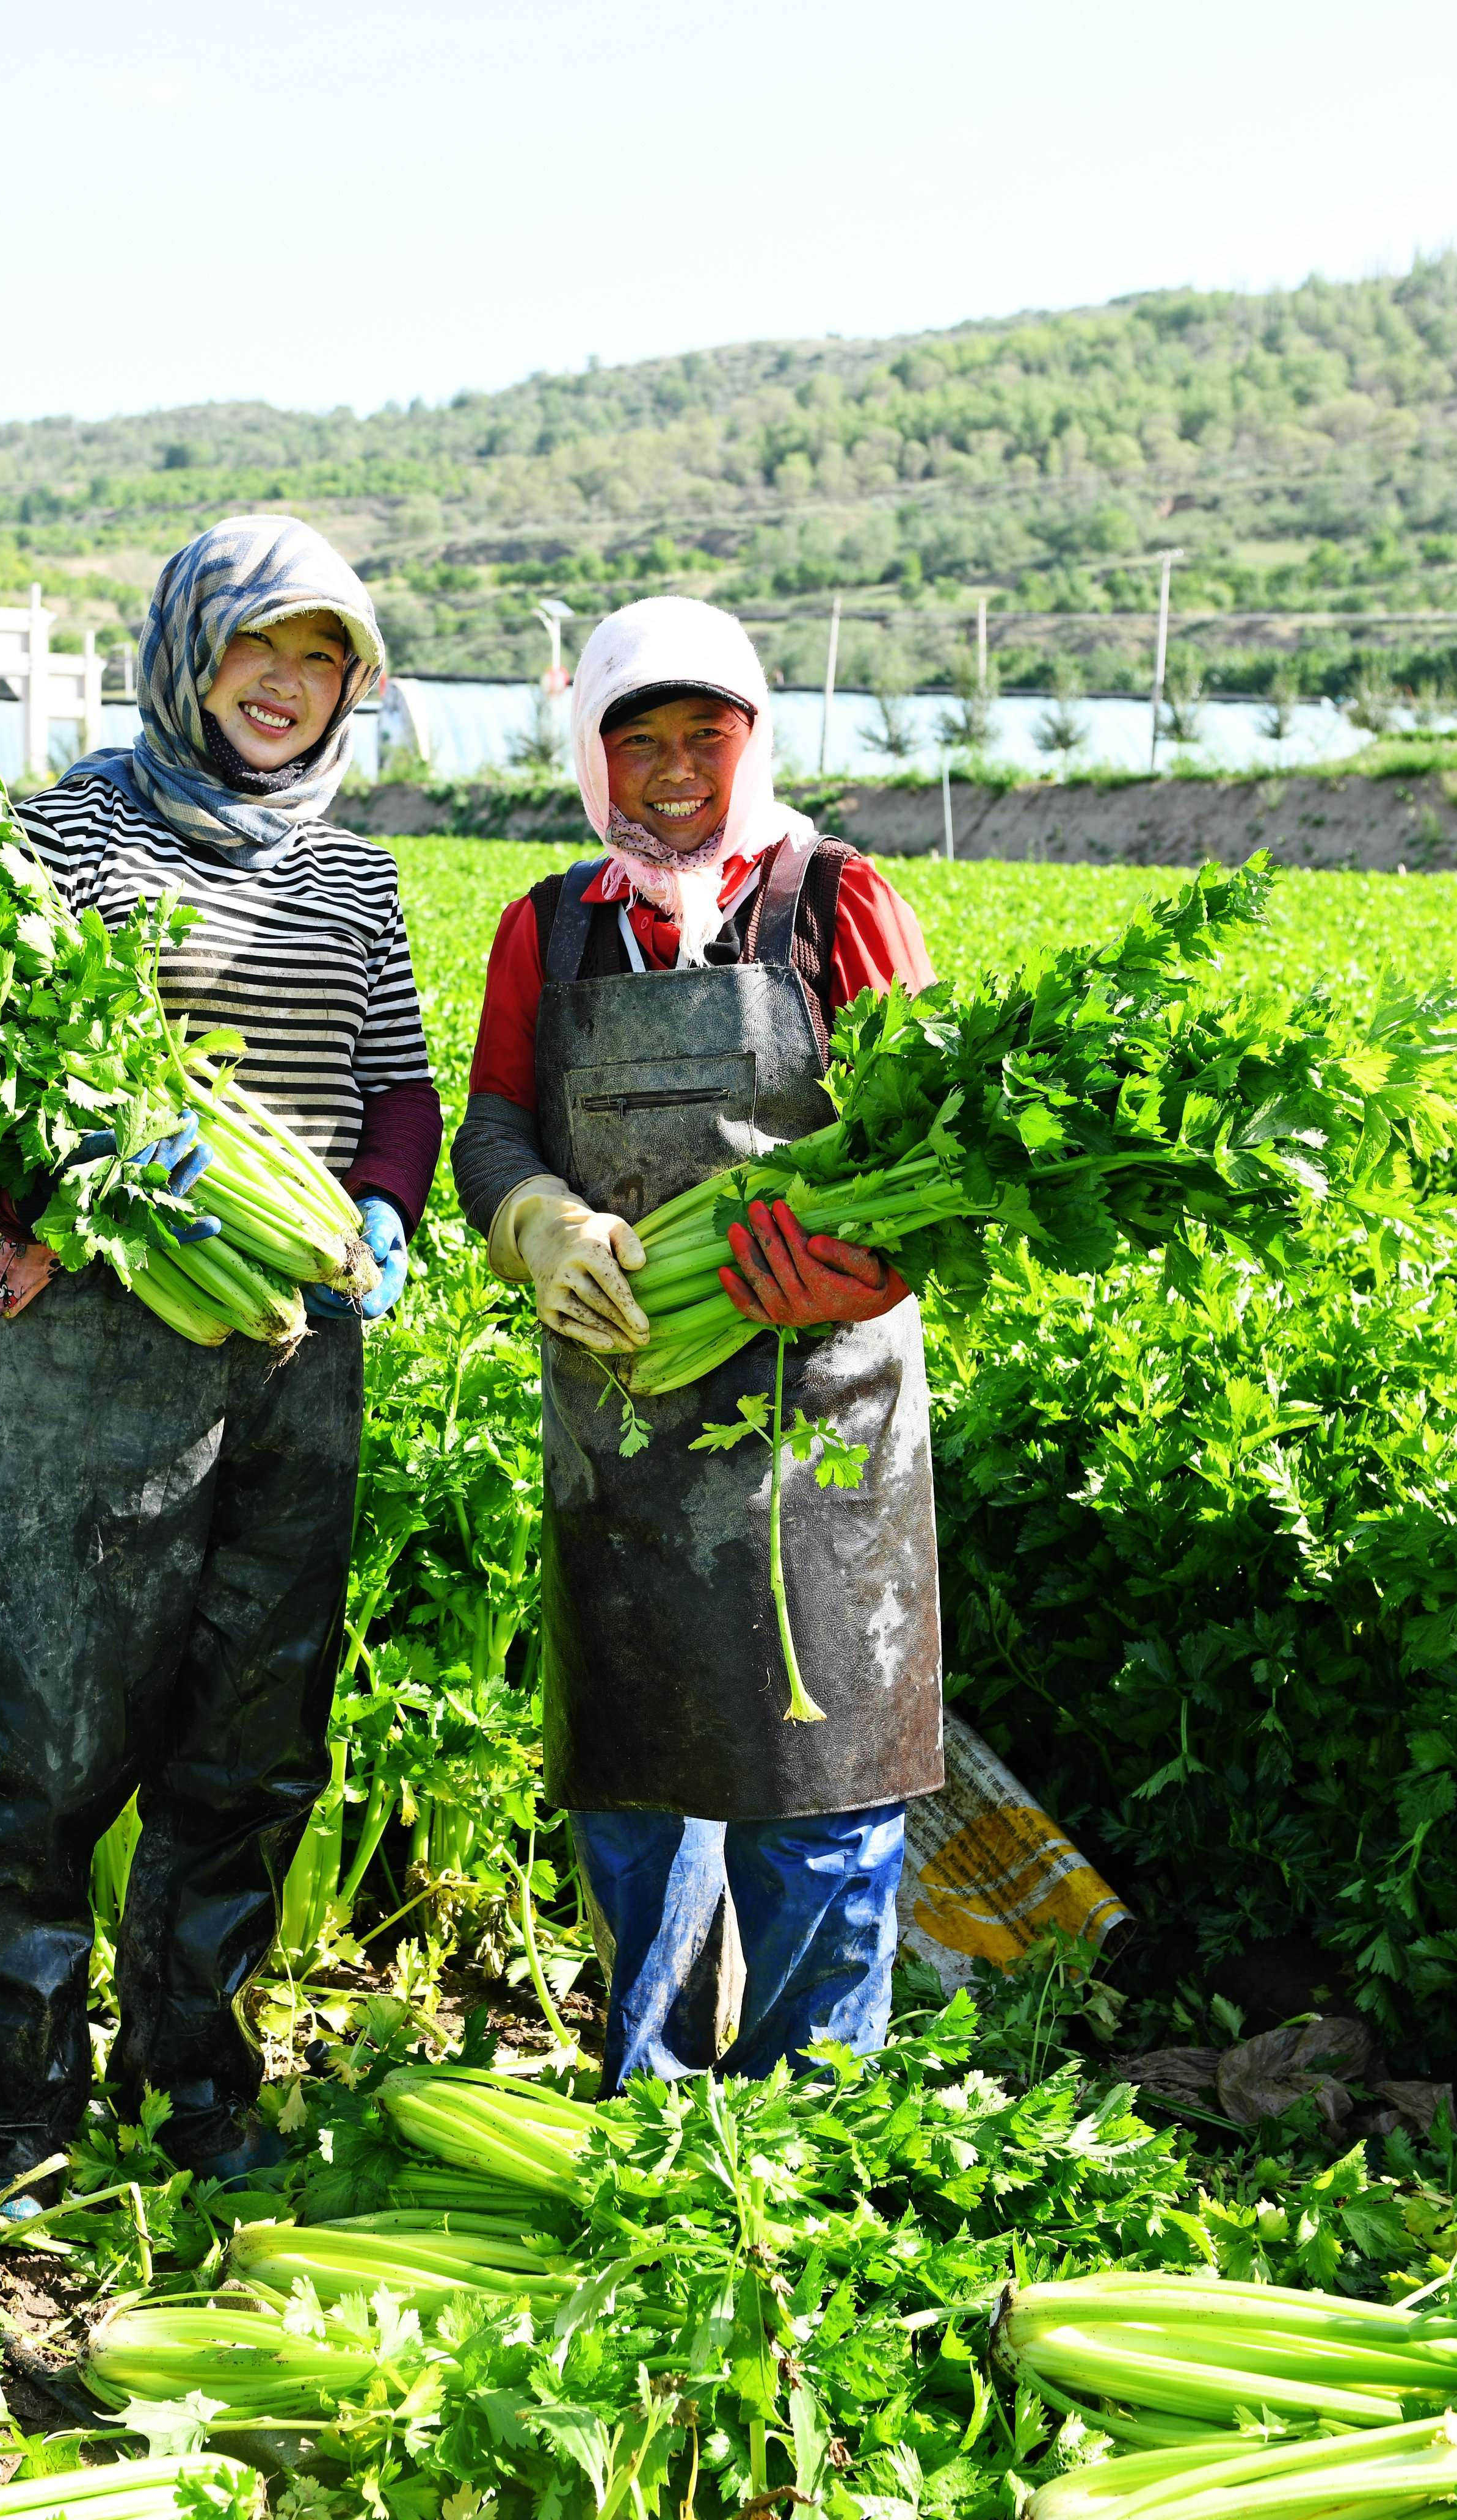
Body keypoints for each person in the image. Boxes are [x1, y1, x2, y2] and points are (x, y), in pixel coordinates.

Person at [0, 515, 437, 2214]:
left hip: (299, 1342)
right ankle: (8, 2114)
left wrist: (384, 1211)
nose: (284, 690)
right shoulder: (71, 830)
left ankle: (193, 2086)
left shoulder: (353, 870)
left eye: (320, 662)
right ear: (184, 651)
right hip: (105, 1335)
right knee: (53, 1734)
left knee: (252, 1733)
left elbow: (398, 1084)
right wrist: (27, 1201)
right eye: (254, 651)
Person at [450, 595, 945, 2090]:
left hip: (829, 1414)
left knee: (826, 1785)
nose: (673, 770)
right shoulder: (549, 925)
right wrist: (535, 1217)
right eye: (638, 741)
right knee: (640, 1774)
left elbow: (937, 1146)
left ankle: (809, 2115)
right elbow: (493, 1122)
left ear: (755, 740)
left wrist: (851, 1273)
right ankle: (652, 2100)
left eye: (703, 738)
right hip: (625, 1407)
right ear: (595, 759)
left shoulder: (836, 899)